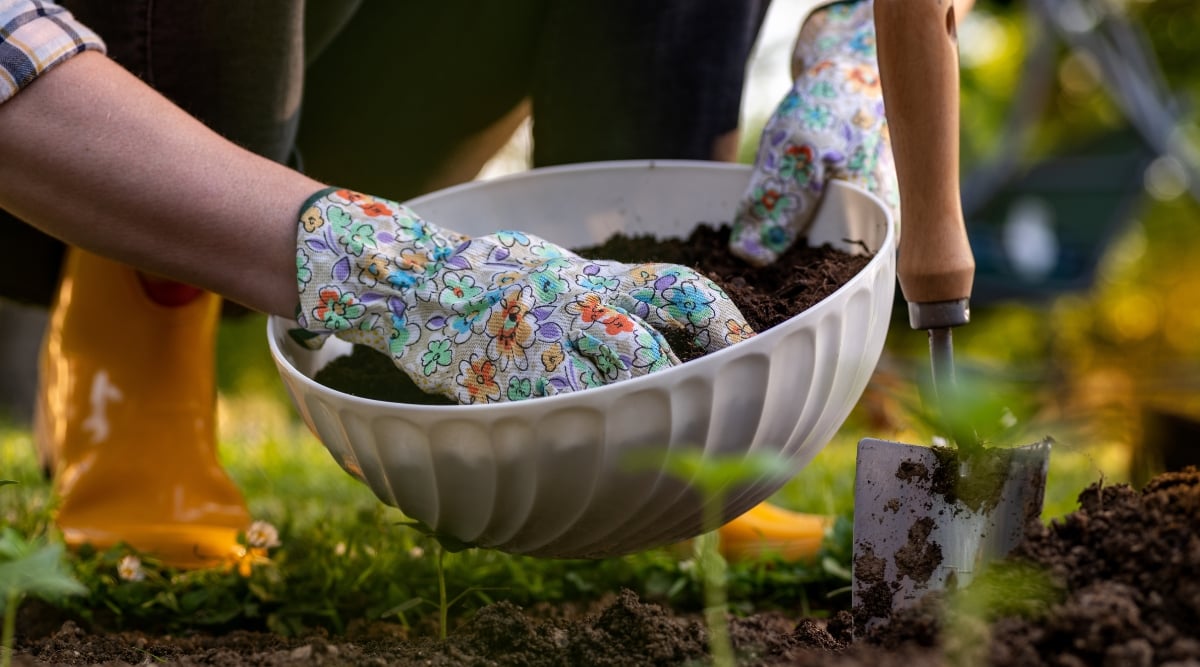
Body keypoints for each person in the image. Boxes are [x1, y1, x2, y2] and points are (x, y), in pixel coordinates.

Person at [0, 0, 961, 567]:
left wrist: (856, 48)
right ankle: (136, 344)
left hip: (374, 105)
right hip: (93, 126)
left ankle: (664, 406)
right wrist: (399, 276)